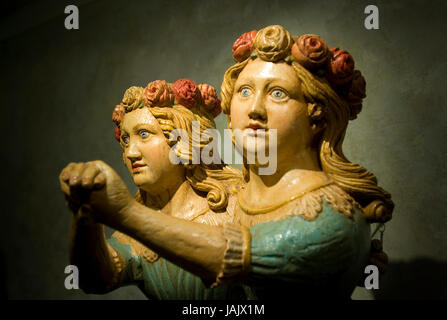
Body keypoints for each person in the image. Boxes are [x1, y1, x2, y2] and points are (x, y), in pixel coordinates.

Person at [60, 25, 393, 299]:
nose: (254, 109)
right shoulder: (249, 199)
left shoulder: (332, 216)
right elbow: (98, 278)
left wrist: (121, 212)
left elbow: (229, 256)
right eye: (244, 92)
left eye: (278, 93)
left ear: (317, 114)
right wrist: (88, 214)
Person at [60, 79, 245, 299]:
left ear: (185, 140)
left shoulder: (238, 204)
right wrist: (85, 217)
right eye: (126, 140)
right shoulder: (134, 232)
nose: (130, 153)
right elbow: (88, 278)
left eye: (144, 135)